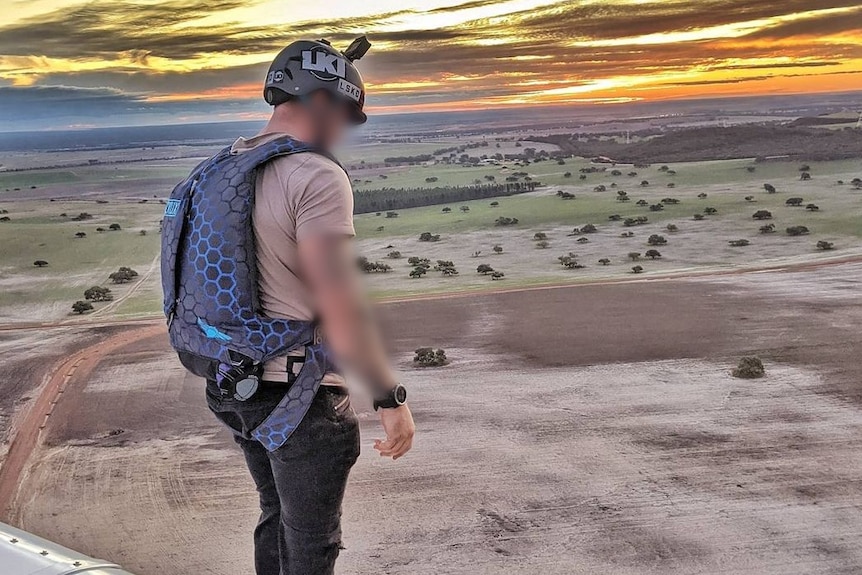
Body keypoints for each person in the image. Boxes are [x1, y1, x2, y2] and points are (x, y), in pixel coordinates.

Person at [161, 37, 415, 575]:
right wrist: (388, 397)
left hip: (233, 384)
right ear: (321, 101)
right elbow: (339, 300)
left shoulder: (221, 169)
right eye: (345, 112)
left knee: (275, 516)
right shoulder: (315, 175)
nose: (344, 128)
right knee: (311, 546)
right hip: (300, 398)